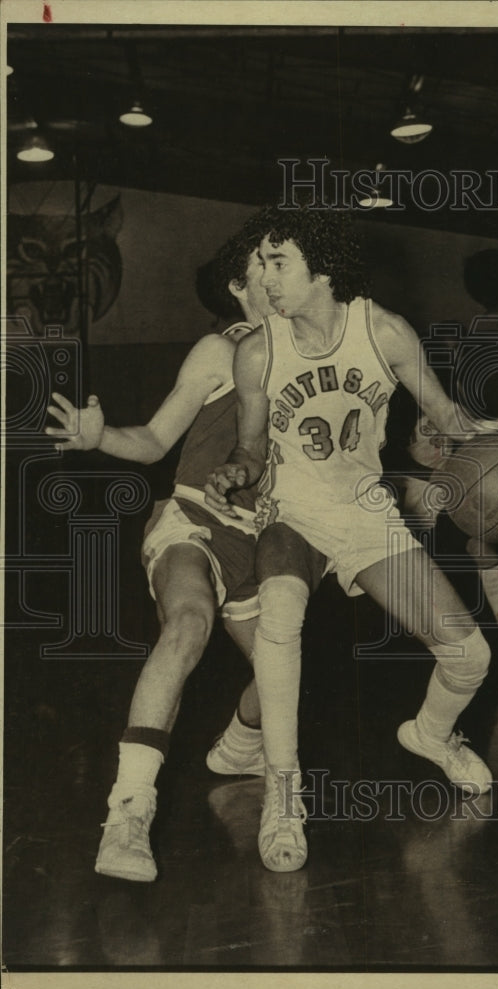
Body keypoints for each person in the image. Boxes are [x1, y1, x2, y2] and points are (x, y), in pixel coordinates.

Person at [205, 206, 498, 873]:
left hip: (363, 511)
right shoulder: (256, 350)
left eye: (279, 263)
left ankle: (430, 733)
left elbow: (444, 414)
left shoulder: (383, 331)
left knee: (469, 655)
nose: (265, 278)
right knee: (281, 616)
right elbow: (250, 446)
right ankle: (282, 790)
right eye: (262, 265)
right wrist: (235, 470)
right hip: (292, 511)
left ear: (320, 268)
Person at [44, 222, 275, 882]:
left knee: (280, 668)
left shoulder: (318, 360)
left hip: (260, 542)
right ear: (239, 287)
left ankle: (237, 747)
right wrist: (99, 437)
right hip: (193, 522)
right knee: (190, 623)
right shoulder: (220, 349)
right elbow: (151, 442)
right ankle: (127, 815)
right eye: (264, 266)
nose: (281, 276)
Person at [401, 411, 498, 673]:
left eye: (437, 433)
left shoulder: (444, 405)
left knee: (481, 549)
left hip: (445, 517)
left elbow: (463, 426)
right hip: (404, 526)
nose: (436, 442)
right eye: (420, 437)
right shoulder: (396, 464)